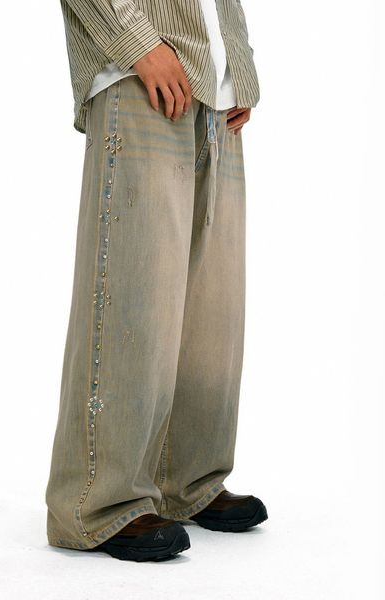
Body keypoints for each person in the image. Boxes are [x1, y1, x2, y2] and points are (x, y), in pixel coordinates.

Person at [45, 0, 267, 562]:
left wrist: (236, 62)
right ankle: (98, 502)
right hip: (140, 67)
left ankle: (186, 481)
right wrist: (137, 43)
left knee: (210, 302)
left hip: (212, 84)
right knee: (135, 288)